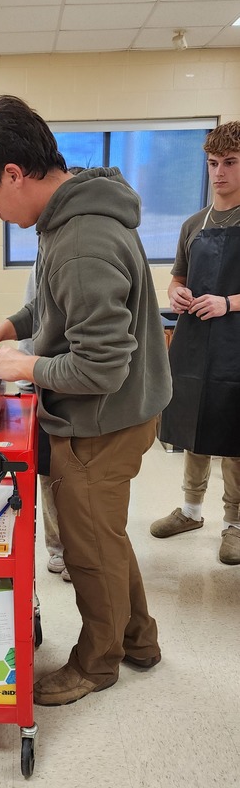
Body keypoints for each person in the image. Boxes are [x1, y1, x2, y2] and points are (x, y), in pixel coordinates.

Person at [0, 94, 172, 707]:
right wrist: (5, 330)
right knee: (104, 534)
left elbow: (102, 366)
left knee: (88, 548)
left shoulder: (81, 239)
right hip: (119, 411)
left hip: (103, 420)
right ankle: (139, 639)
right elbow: (53, 303)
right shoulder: (69, 216)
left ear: (14, 174)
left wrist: (29, 365)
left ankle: (97, 664)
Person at [151, 120, 240, 564]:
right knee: (194, 425)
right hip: (194, 342)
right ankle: (190, 511)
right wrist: (176, 294)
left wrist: (228, 303)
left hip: (235, 345)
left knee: (234, 432)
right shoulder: (192, 224)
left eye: (230, 162)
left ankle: (234, 524)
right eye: (212, 163)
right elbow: (177, 279)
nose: (218, 172)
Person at [18, 261, 71, 583]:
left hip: (86, 385)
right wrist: (25, 383)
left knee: (83, 478)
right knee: (49, 472)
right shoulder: (41, 261)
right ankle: (58, 548)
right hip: (46, 383)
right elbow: (33, 316)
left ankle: (82, 551)